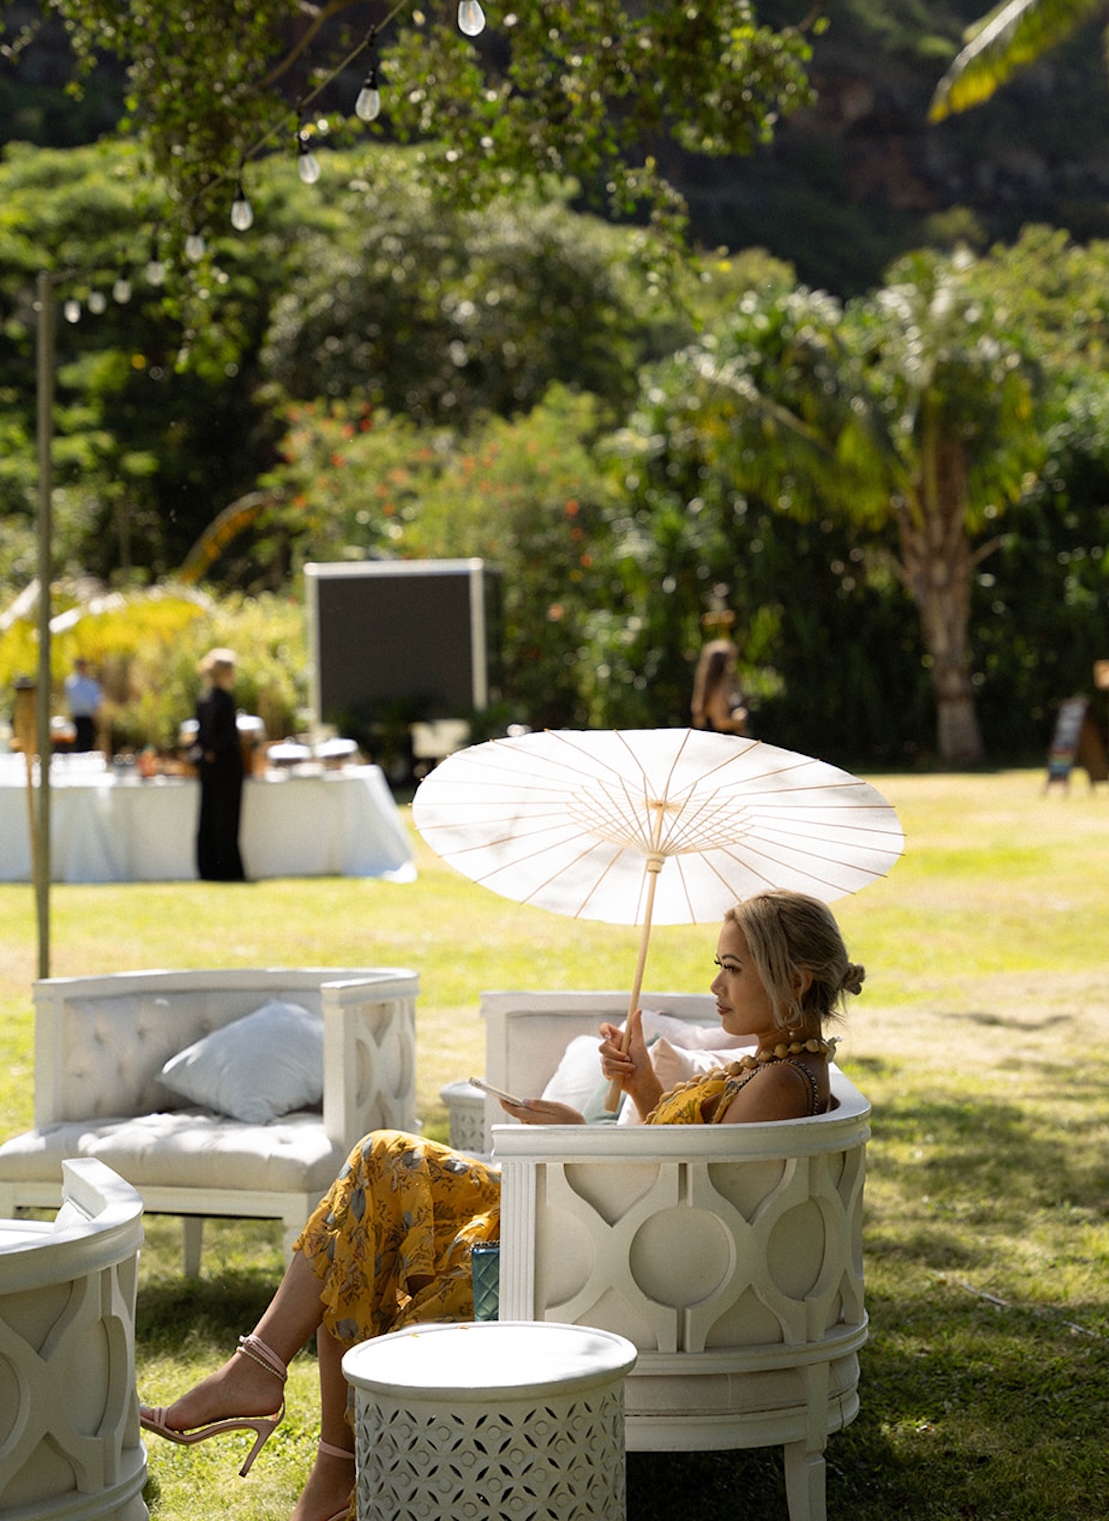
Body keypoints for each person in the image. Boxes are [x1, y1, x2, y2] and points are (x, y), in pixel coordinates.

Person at [138, 889, 864, 1521]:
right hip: (600, 1224)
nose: (715, 984)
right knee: (378, 1176)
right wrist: (641, 1089)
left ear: (794, 980)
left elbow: (690, 1205)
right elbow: (692, 1176)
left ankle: (288, 1410)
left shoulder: (778, 1084)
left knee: (374, 1198)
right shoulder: (775, 1064)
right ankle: (280, 1397)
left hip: (600, 1251)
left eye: (732, 968)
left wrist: (581, 1136)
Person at [193, 647, 246, 880]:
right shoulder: (224, 701)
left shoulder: (204, 700)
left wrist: (207, 753)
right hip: (227, 767)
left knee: (209, 817)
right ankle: (228, 869)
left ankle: (209, 867)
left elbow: (201, 738)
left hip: (208, 767)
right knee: (227, 820)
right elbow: (227, 738)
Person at [691, 636, 750, 735]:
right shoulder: (718, 690)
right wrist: (738, 721)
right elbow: (720, 722)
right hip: (721, 742)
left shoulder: (706, 687)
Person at [64, 657, 103, 753]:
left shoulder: (90, 682)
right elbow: (78, 699)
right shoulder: (72, 682)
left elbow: (97, 696)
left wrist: (96, 709)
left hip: (90, 717)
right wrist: (90, 708)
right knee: (80, 743)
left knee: (90, 741)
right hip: (79, 716)